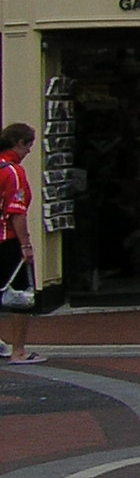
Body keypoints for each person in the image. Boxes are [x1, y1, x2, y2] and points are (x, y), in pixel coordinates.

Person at [0, 123, 42, 365]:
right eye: (29, 145)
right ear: (19, 143)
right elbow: (17, 212)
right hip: (8, 241)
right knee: (21, 297)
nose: (29, 151)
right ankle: (19, 350)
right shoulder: (14, 172)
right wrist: (26, 246)